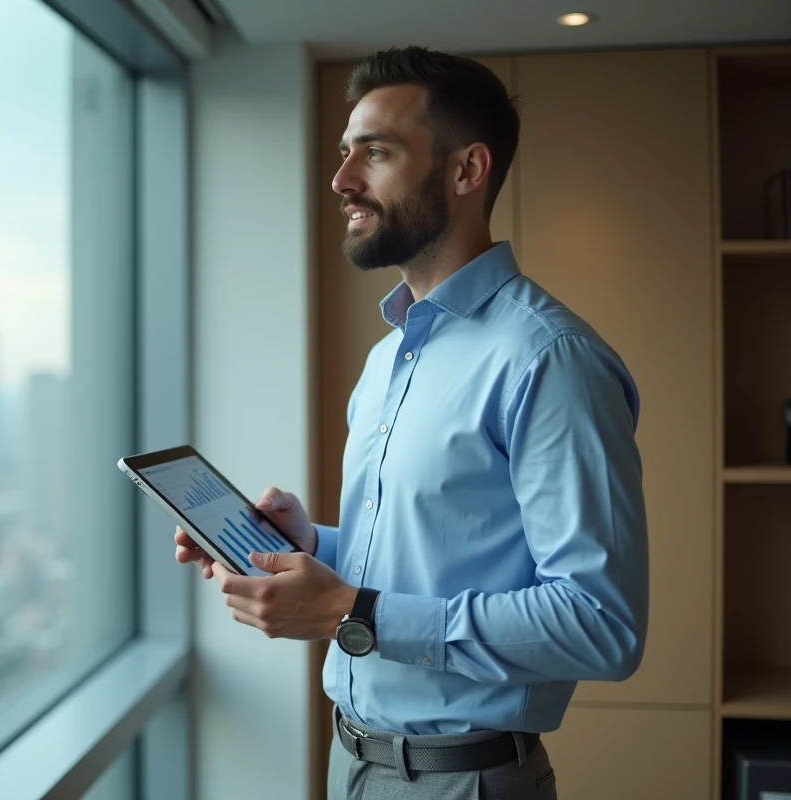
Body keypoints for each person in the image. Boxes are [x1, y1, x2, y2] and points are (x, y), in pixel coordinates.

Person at [174, 45, 648, 800]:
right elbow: (439, 554)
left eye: (377, 152)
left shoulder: (548, 359)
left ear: (466, 171)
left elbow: (601, 624)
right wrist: (313, 547)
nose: (341, 180)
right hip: (352, 764)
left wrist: (346, 607)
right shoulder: (390, 356)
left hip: (466, 782)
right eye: (343, 152)